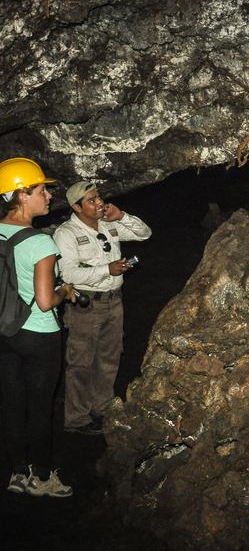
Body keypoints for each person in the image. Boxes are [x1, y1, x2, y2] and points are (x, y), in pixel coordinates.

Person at [0, 157, 78, 497]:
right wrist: (65, 292)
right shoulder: (41, 243)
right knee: (40, 407)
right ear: (21, 196)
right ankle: (43, 477)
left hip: (5, 331)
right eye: (41, 190)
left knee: (13, 404)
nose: (48, 196)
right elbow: (46, 301)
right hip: (38, 334)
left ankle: (17, 472)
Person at [54, 179, 151, 435]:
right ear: (76, 207)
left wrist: (122, 216)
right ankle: (77, 418)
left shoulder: (109, 224)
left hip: (114, 300)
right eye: (92, 201)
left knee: (109, 357)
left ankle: (103, 407)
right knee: (80, 362)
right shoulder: (66, 234)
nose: (100, 203)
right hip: (86, 305)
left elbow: (144, 233)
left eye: (99, 198)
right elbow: (69, 274)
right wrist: (106, 269)